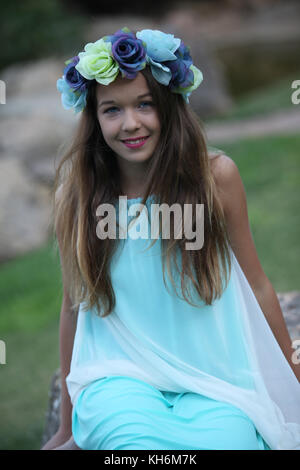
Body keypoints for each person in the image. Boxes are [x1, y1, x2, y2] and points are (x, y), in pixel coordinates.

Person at [42, 27, 300, 450]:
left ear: (169, 106)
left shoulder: (215, 178)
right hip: (119, 378)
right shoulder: (78, 195)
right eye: (112, 110)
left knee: (230, 442)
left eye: (145, 104)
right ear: (93, 118)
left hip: (214, 379)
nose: (131, 123)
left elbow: (256, 284)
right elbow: (74, 305)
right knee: (133, 442)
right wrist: (66, 427)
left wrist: (293, 382)